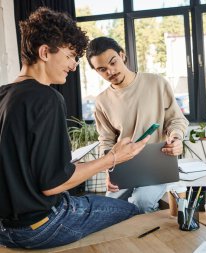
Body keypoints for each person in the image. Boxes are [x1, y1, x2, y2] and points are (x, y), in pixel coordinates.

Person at [0, 8, 150, 249]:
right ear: (45, 52)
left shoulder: (3, 95)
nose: (73, 66)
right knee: (135, 211)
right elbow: (52, 184)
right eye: (70, 56)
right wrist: (113, 157)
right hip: (41, 227)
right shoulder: (46, 98)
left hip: (5, 229)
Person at [86, 37, 189, 213]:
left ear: (122, 55)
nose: (110, 71)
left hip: (158, 164)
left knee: (141, 202)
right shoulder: (102, 101)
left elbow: (175, 120)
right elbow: (106, 141)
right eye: (102, 69)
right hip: (124, 167)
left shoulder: (157, 83)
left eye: (113, 62)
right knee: (109, 209)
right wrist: (108, 172)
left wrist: (176, 138)